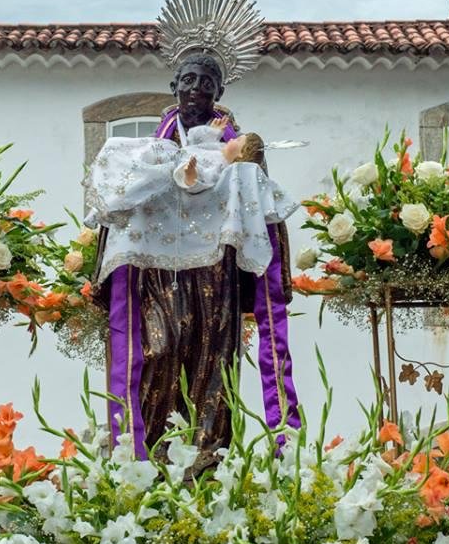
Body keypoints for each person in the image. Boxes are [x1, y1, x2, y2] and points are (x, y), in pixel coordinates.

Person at [91, 53, 301, 461]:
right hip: (156, 271)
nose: (196, 90)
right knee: (159, 350)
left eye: (206, 83)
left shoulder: (236, 142)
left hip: (215, 271)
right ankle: (148, 456)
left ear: (218, 91)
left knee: (214, 359)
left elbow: (256, 194)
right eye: (188, 80)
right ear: (174, 87)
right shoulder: (154, 144)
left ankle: (208, 461)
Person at [84, 114, 298, 280]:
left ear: (240, 154)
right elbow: (196, 143)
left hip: (168, 167)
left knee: (130, 174)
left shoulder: (221, 166)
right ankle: (102, 201)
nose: (232, 138)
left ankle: (102, 207)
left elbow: (199, 182)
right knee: (120, 150)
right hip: (167, 153)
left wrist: (190, 174)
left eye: (238, 140)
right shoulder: (218, 149)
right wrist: (211, 132)